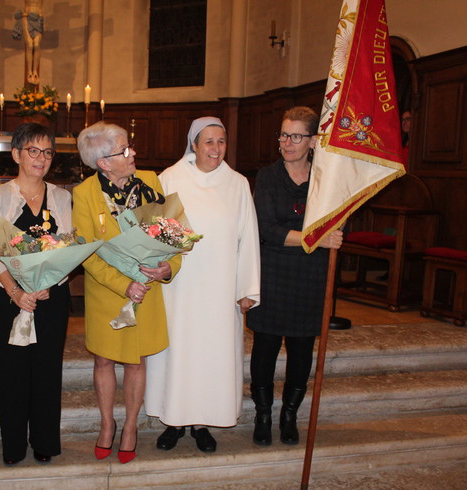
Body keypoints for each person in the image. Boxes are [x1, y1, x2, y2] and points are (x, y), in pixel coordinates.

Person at [145, 117, 261, 453]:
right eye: (208, 141)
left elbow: (248, 237)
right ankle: (174, 421)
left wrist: (246, 289)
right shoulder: (169, 178)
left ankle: (203, 423)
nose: (215, 148)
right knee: (178, 353)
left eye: (221, 141)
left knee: (213, 355)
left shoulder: (238, 183)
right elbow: (156, 233)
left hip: (220, 288)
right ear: (193, 145)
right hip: (179, 286)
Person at [72, 121, 181, 464]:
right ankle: (107, 424)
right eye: (124, 150)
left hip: (146, 288)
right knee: (104, 360)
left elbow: (173, 232)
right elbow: (86, 251)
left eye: (129, 147)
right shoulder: (85, 194)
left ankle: (131, 427)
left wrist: (168, 268)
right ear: (103, 162)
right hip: (108, 291)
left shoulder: (150, 181)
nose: (132, 154)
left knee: (137, 362)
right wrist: (123, 284)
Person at [245, 106, 343, 447]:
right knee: (266, 346)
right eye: (284, 135)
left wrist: (335, 232)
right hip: (273, 271)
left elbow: (335, 221)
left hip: (310, 274)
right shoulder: (269, 176)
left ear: (313, 141)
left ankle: (289, 415)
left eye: (296, 136)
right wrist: (312, 238)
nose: (287, 143)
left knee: (302, 350)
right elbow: (267, 228)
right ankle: (263, 414)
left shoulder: (326, 179)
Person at [0, 123, 71, 465]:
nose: (41, 158)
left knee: (48, 370)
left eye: (47, 152)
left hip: (50, 297)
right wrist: (16, 291)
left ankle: (45, 443)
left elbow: (67, 248)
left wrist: (49, 282)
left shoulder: (61, 197)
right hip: (7, 297)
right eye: (33, 150)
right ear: (17, 154)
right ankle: (14, 446)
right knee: (11, 371)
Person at [12, 0, 44, 85]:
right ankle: (29, 72)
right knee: (29, 45)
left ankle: (35, 71)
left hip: (38, 18)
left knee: (37, 45)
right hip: (27, 18)